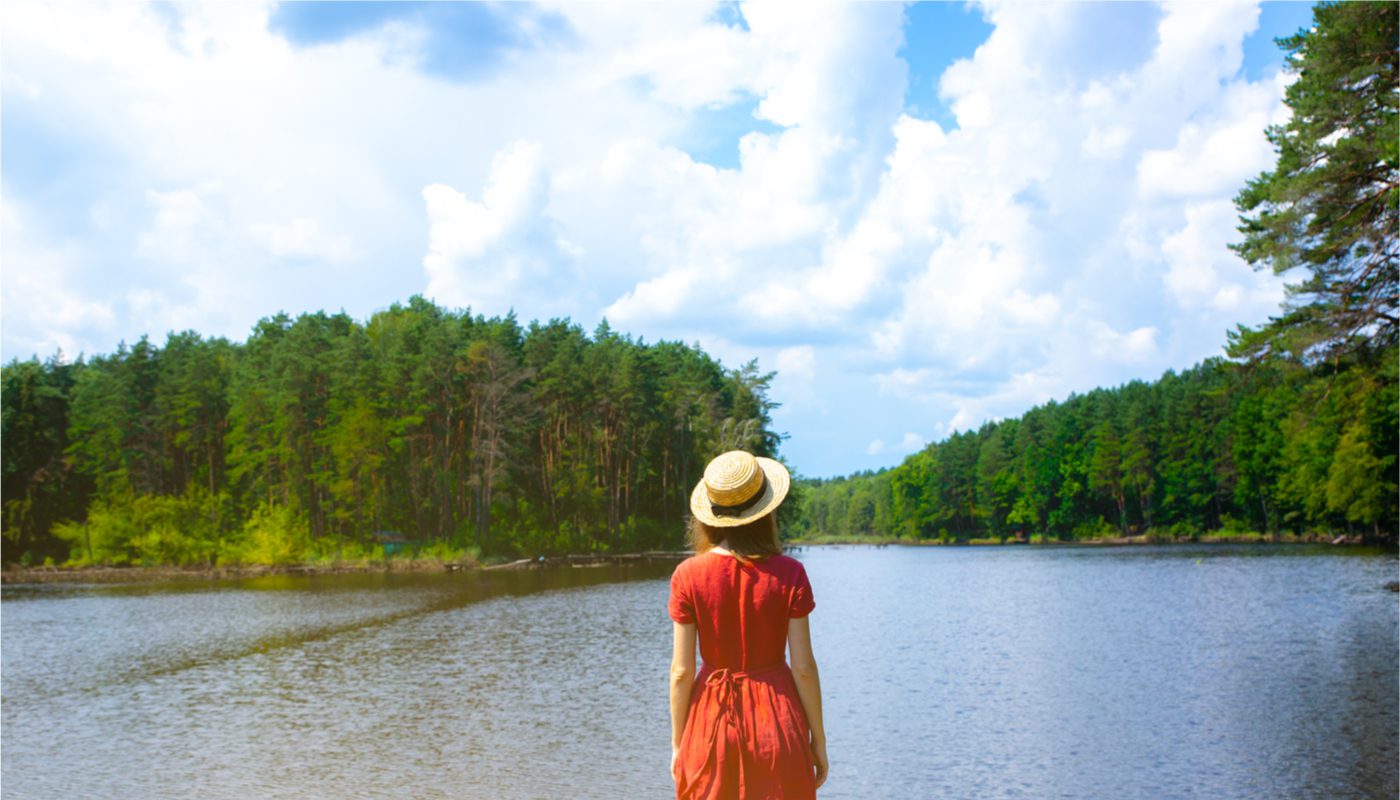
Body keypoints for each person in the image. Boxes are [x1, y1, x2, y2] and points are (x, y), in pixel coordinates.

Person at [668, 450, 829, 799]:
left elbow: (681, 671)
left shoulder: (687, 575)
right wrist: (819, 739)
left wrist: (678, 743)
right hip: (778, 721)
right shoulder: (790, 573)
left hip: (710, 722)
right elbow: (803, 667)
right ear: (765, 511)